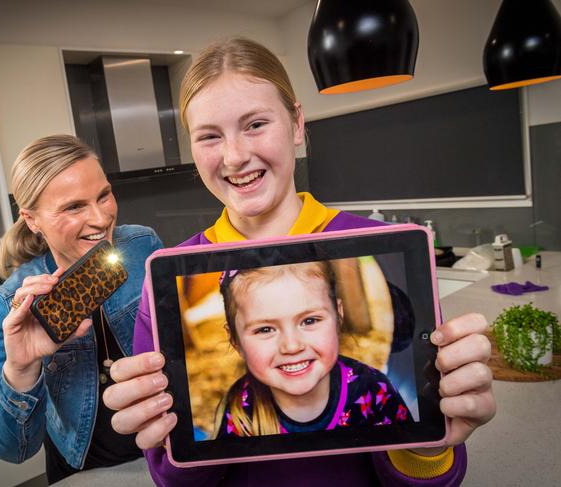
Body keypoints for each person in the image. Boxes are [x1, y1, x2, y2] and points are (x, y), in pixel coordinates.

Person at [103, 38, 496, 486]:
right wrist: (169, 440)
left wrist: (428, 447)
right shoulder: (168, 280)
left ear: (296, 123)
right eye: (210, 136)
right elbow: (174, 477)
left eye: (255, 124)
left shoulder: (383, 250)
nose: (234, 156)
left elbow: (435, 467)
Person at [0, 135, 163, 484]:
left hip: (163, 448)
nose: (101, 218)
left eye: (103, 195)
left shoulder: (143, 245)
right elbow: (11, 449)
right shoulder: (13, 302)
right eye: (74, 207)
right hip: (86, 471)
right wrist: (22, 367)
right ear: (32, 220)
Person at [214, 261, 412, 439]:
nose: (292, 346)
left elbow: (409, 459)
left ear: (338, 316)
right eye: (265, 329)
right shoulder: (239, 410)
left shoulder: (373, 389)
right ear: (236, 341)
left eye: (309, 321)